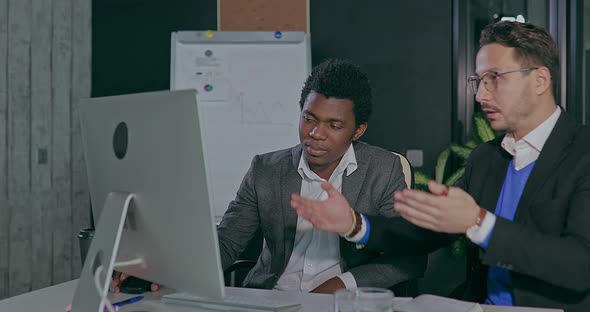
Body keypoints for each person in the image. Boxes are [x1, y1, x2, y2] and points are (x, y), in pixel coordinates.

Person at [291, 21, 590, 311]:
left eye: (495, 78)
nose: (481, 95)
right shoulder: (486, 159)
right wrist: (355, 224)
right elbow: (429, 229)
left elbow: (580, 265)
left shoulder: (583, 154)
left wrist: (478, 222)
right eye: (479, 80)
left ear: (540, 80)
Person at [113, 59, 426, 294]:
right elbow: (226, 244)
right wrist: (165, 270)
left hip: (343, 302)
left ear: (358, 130)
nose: (315, 134)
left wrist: (339, 285)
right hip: (271, 300)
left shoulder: (384, 170)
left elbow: (409, 259)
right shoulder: (266, 169)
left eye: (334, 125)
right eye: (309, 119)